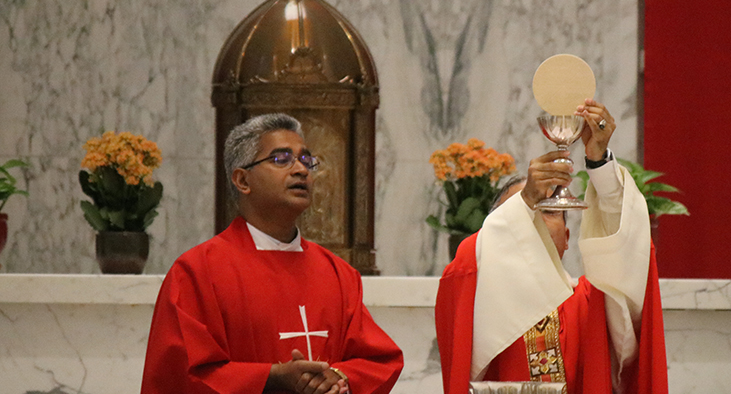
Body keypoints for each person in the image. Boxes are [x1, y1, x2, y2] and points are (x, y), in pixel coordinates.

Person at [141, 114, 403, 394]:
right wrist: (271, 378)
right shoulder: (197, 272)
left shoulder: (337, 273)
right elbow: (180, 376)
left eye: (306, 160)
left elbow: (378, 360)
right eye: (281, 159)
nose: (301, 170)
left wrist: (340, 377)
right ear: (243, 180)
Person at [435, 99, 668, 394]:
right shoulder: (476, 299)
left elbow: (627, 254)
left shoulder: (591, 302)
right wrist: (526, 200)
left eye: (547, 210)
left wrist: (600, 165)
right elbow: (469, 265)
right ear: (499, 234)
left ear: (568, 238)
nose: (532, 221)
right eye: (522, 211)